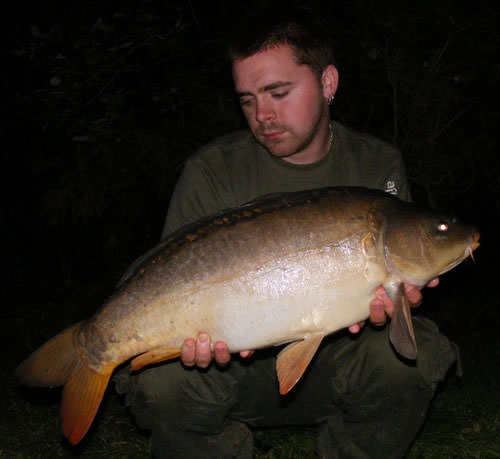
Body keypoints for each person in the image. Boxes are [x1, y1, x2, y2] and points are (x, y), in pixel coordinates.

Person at [115, 13, 457, 458]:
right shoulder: (211, 172)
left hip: (337, 364)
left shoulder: (376, 164)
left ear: (328, 83)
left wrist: (398, 303)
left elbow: (400, 273)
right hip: (230, 375)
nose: (262, 115)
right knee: (158, 381)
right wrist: (185, 342)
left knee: (418, 355)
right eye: (247, 100)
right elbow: (168, 282)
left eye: (278, 93)